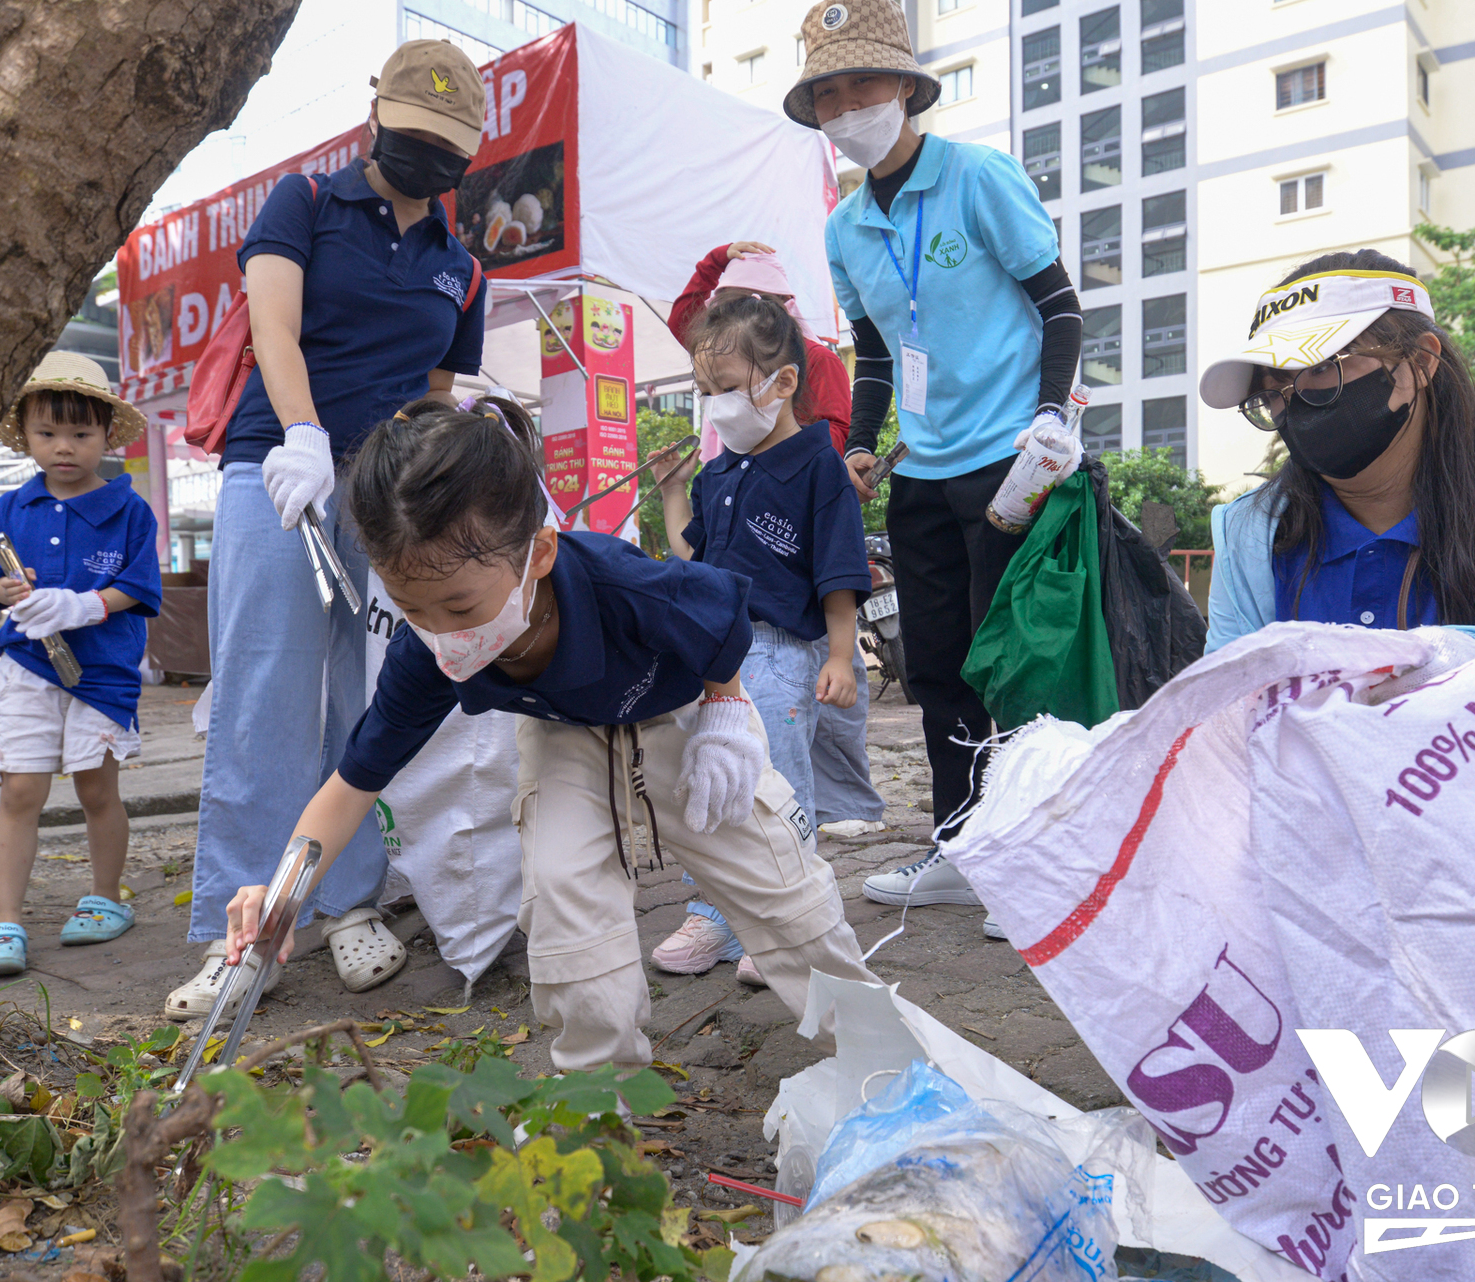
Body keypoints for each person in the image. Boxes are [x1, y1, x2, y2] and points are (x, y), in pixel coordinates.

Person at [221, 396, 881, 1072]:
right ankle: (599, 1097)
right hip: (561, 731)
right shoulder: (428, 653)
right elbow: (354, 781)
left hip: (678, 711)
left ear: (537, 553)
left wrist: (726, 713)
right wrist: (282, 894)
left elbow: (723, 623)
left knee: (779, 885)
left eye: (459, 606)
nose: (443, 632)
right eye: (412, 608)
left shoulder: (625, 586)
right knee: (566, 902)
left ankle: (878, 1058)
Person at [180, 40, 490, 1020]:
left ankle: (347, 898)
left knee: (366, 693)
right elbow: (274, 326)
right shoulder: (304, 206)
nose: (426, 164)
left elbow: (438, 394)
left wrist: (434, 473)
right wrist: (307, 435)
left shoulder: (460, 268)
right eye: (412, 140)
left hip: (384, 493)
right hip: (282, 469)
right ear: (374, 120)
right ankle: (246, 929)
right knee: (262, 694)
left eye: (448, 153)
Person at [783, 0, 1083, 924]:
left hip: (1009, 458)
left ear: (906, 89)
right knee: (940, 666)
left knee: (1016, 665)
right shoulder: (842, 228)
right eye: (825, 95)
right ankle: (959, 841)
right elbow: (874, 355)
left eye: (860, 86)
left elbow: (1061, 306)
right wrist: (863, 443)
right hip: (921, 472)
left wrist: (1048, 418)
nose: (844, 109)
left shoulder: (977, 178)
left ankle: (1031, 857)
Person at [1202, 250, 1475, 680]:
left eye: (1320, 369)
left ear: (1419, 363)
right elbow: (1228, 709)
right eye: (1272, 391)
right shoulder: (1253, 534)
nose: (1293, 405)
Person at [650, 296, 874, 986]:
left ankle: (785, 920)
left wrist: (841, 655)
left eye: (727, 390)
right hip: (717, 654)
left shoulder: (819, 468)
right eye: (705, 393)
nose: (715, 407)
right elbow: (694, 560)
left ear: (781, 384)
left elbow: (839, 571)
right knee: (708, 779)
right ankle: (713, 912)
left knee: (776, 782)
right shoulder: (719, 472)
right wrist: (671, 491)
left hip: (782, 653)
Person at [0, 352, 162, 976]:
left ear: (107, 435)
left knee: (95, 786)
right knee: (20, 788)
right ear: (24, 434)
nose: (64, 447)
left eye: (81, 434)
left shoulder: (130, 509)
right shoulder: (3, 512)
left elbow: (138, 585)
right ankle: (5, 921)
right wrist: (10, 593)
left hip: (103, 672)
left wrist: (83, 603)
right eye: (47, 433)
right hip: (26, 666)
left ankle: (106, 897)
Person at [670, 242, 851, 457]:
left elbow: (838, 434)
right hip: (731, 475)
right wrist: (715, 261)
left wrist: (780, 454)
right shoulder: (720, 351)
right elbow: (683, 321)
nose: (743, 313)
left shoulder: (817, 358)